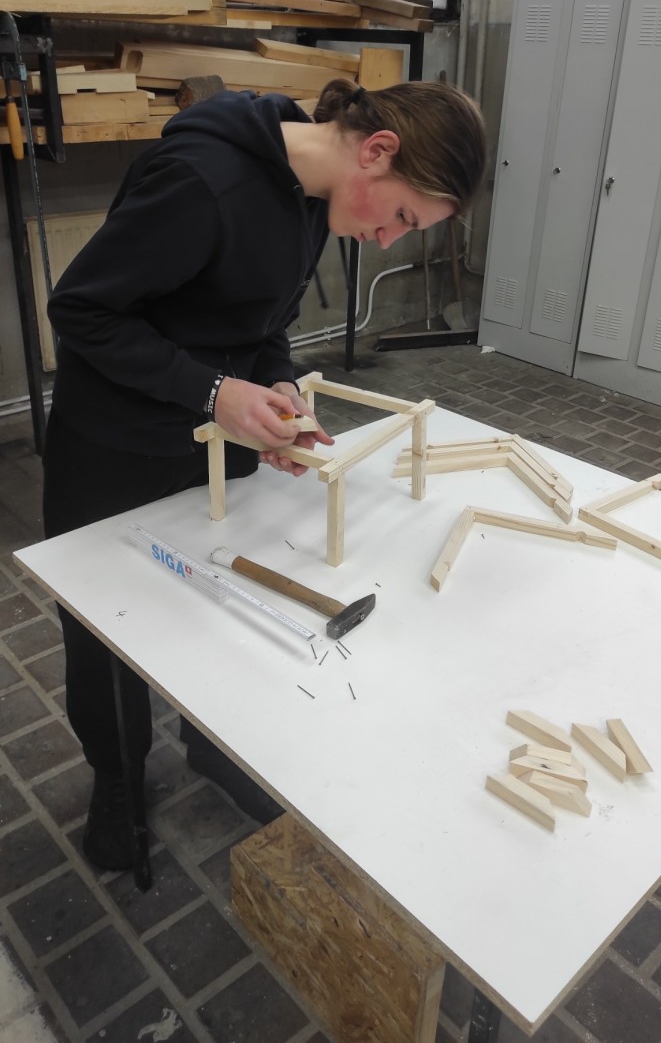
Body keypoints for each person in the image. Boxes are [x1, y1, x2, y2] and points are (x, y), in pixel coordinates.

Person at [42, 76, 487, 871]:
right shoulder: (201, 184)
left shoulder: (312, 197)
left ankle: (214, 745)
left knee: (213, 602)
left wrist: (276, 384)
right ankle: (117, 777)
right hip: (112, 443)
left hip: (206, 434)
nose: (388, 241)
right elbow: (80, 310)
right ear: (376, 150)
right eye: (401, 217)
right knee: (106, 626)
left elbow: (261, 322)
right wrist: (216, 392)